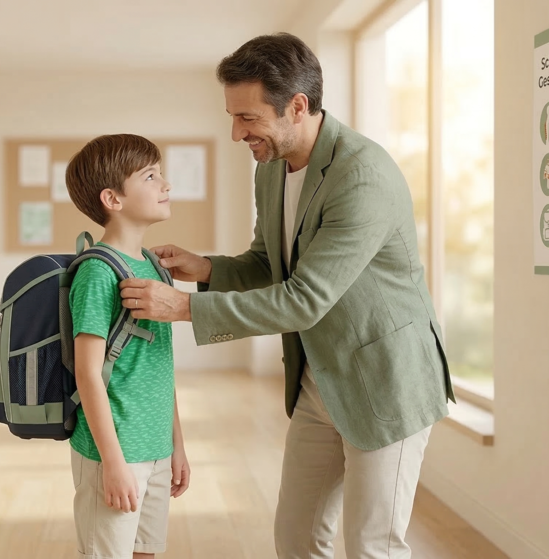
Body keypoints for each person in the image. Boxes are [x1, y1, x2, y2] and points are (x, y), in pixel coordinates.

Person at [117, 33, 454, 559]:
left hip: (386, 382)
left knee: (372, 546)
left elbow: (303, 299)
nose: (235, 133)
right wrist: (203, 267)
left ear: (297, 107)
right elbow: (267, 263)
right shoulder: (271, 168)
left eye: (247, 118)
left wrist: (181, 307)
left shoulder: (362, 176)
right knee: (296, 539)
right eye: (232, 116)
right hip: (320, 378)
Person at [65, 134, 191, 559]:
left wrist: (175, 445)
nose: (166, 184)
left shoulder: (154, 266)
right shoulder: (98, 272)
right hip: (114, 454)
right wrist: (113, 464)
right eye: (151, 176)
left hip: (155, 448)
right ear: (112, 199)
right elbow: (87, 375)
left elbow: (160, 364)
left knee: (145, 553)